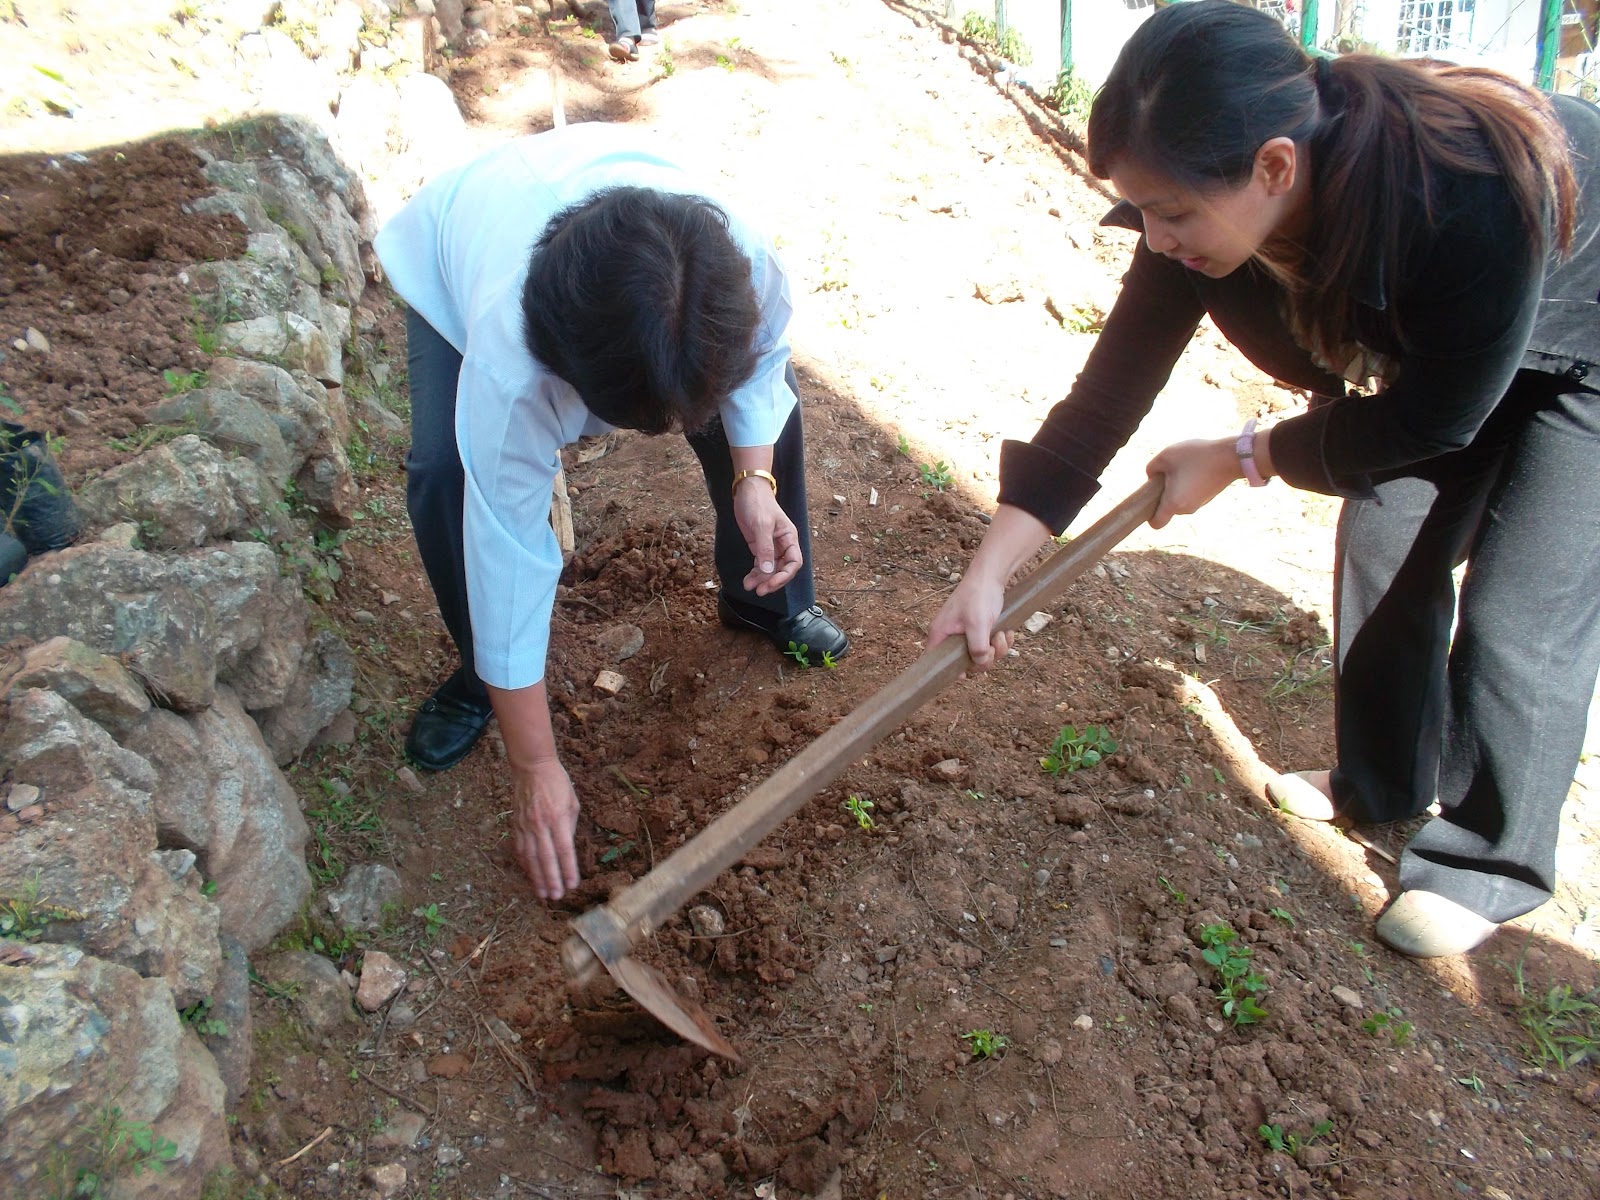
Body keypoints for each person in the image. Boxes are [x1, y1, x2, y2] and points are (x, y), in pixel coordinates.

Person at [930, 1, 1599, 958]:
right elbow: (1103, 396)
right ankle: (1381, 782)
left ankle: (1492, 860)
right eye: (1145, 209)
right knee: (1383, 536)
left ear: (1275, 166)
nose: (1156, 237)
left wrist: (1248, 456)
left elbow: (1438, 419)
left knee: (1522, 613)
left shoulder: (1461, 197)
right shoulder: (1204, 230)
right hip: (1442, 354)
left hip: (1583, 339)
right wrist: (991, 566)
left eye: (1171, 211)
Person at [374, 123, 849, 901]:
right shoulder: (510, 363)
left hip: (636, 273)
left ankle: (767, 600)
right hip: (461, 243)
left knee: (764, 420)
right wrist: (537, 769)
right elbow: (510, 546)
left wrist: (751, 483)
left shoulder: (743, 270)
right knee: (445, 477)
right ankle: (477, 676)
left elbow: (760, 371)